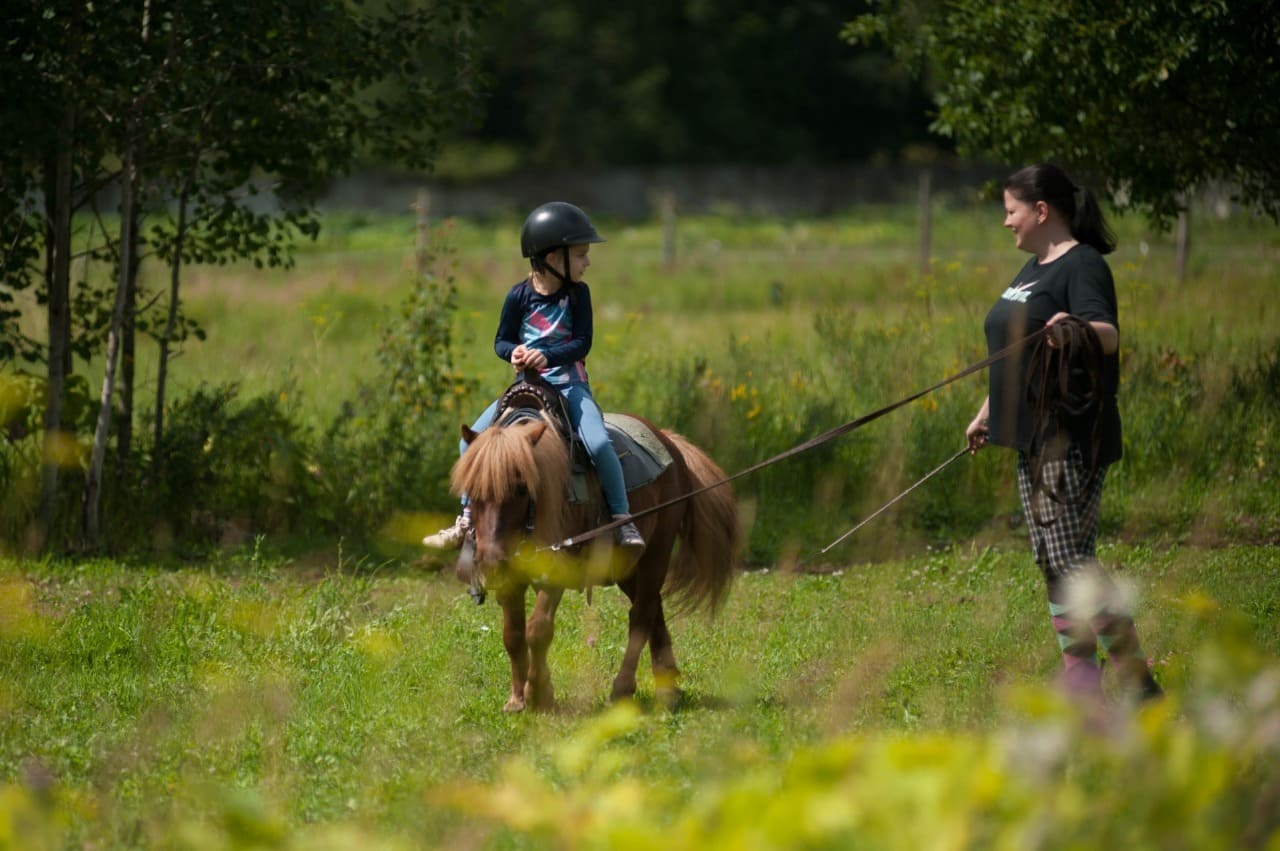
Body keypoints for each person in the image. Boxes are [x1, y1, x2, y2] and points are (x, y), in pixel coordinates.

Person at [965, 163, 1162, 704]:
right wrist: (988, 409)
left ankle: (1126, 680)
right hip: (1027, 433)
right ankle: (1094, 676)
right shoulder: (1032, 268)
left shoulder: (1083, 265)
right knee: (1056, 559)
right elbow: (1017, 353)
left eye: (1011, 211)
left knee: (1071, 560)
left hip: (1069, 436)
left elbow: (1108, 333)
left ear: (1041, 211)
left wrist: (1072, 329)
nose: (1006, 222)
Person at [423, 201, 645, 550]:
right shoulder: (518, 295)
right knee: (469, 443)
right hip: (526, 386)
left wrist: (547, 354)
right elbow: (501, 340)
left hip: (569, 386)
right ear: (554, 258)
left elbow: (583, 342)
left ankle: (622, 519)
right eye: (581, 254)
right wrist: (512, 351)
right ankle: (465, 518)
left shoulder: (578, 295)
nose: (588, 262)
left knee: (599, 443)